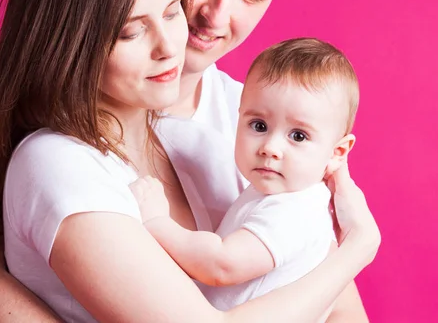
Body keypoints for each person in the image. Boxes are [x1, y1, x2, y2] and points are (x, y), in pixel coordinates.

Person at [0, 0, 379, 322]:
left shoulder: (232, 126)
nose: (214, 16)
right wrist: (357, 249)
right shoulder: (51, 148)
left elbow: (328, 291)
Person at [135, 38, 360, 319]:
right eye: (259, 126)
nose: (270, 147)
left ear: (337, 152)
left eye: (298, 136)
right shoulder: (279, 195)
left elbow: (222, 264)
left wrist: (157, 222)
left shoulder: (295, 210)